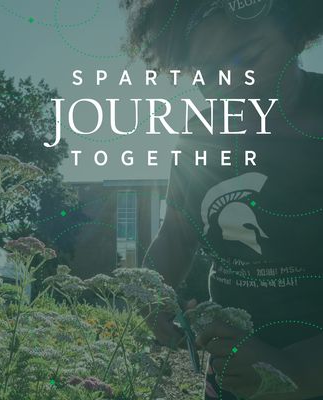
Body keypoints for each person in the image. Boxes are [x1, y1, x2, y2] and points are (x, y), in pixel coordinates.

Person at [120, 0, 323, 398]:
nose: (232, 83)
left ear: (295, 33)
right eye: (208, 74)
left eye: (249, 57)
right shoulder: (201, 135)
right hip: (231, 378)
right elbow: (176, 235)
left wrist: (296, 370)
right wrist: (150, 292)